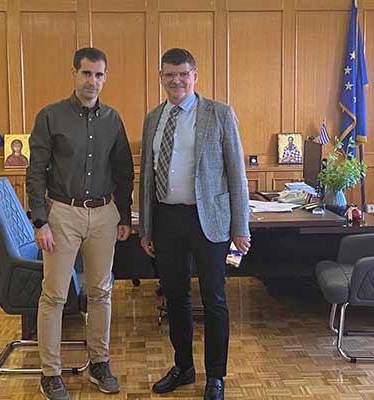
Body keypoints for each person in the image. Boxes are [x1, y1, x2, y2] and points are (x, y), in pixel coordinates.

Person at [138, 48, 251, 400]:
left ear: (195, 76)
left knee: (214, 299)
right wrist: (146, 228)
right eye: (169, 75)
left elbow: (237, 174)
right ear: (161, 77)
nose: (177, 81)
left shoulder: (219, 113)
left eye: (183, 74)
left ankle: (215, 376)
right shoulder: (153, 118)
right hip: (167, 219)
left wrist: (241, 226)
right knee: (175, 297)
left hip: (209, 220)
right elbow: (146, 178)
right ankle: (183, 367)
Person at [26, 47, 134, 400]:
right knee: (54, 295)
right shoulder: (50, 116)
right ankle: (50, 373)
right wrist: (40, 221)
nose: (92, 81)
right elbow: (36, 172)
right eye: (86, 73)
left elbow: (123, 171)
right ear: (73, 73)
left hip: (104, 214)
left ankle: (99, 363)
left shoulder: (113, 119)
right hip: (62, 214)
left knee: (101, 292)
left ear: (105, 77)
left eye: (99, 74)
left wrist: (124, 214)